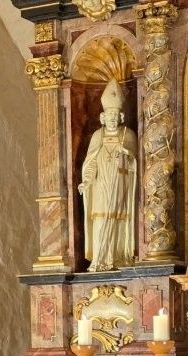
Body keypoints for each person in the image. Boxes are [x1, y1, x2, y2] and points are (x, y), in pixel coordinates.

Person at [79, 78, 137, 272]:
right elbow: (91, 162)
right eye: (109, 115)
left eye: (115, 115)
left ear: (121, 117)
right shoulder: (98, 136)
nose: (112, 119)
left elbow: (135, 163)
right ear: (102, 117)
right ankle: (99, 259)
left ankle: (117, 257)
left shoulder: (128, 135)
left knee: (117, 220)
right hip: (100, 186)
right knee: (100, 219)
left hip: (120, 186)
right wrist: (86, 181)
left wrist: (125, 152)